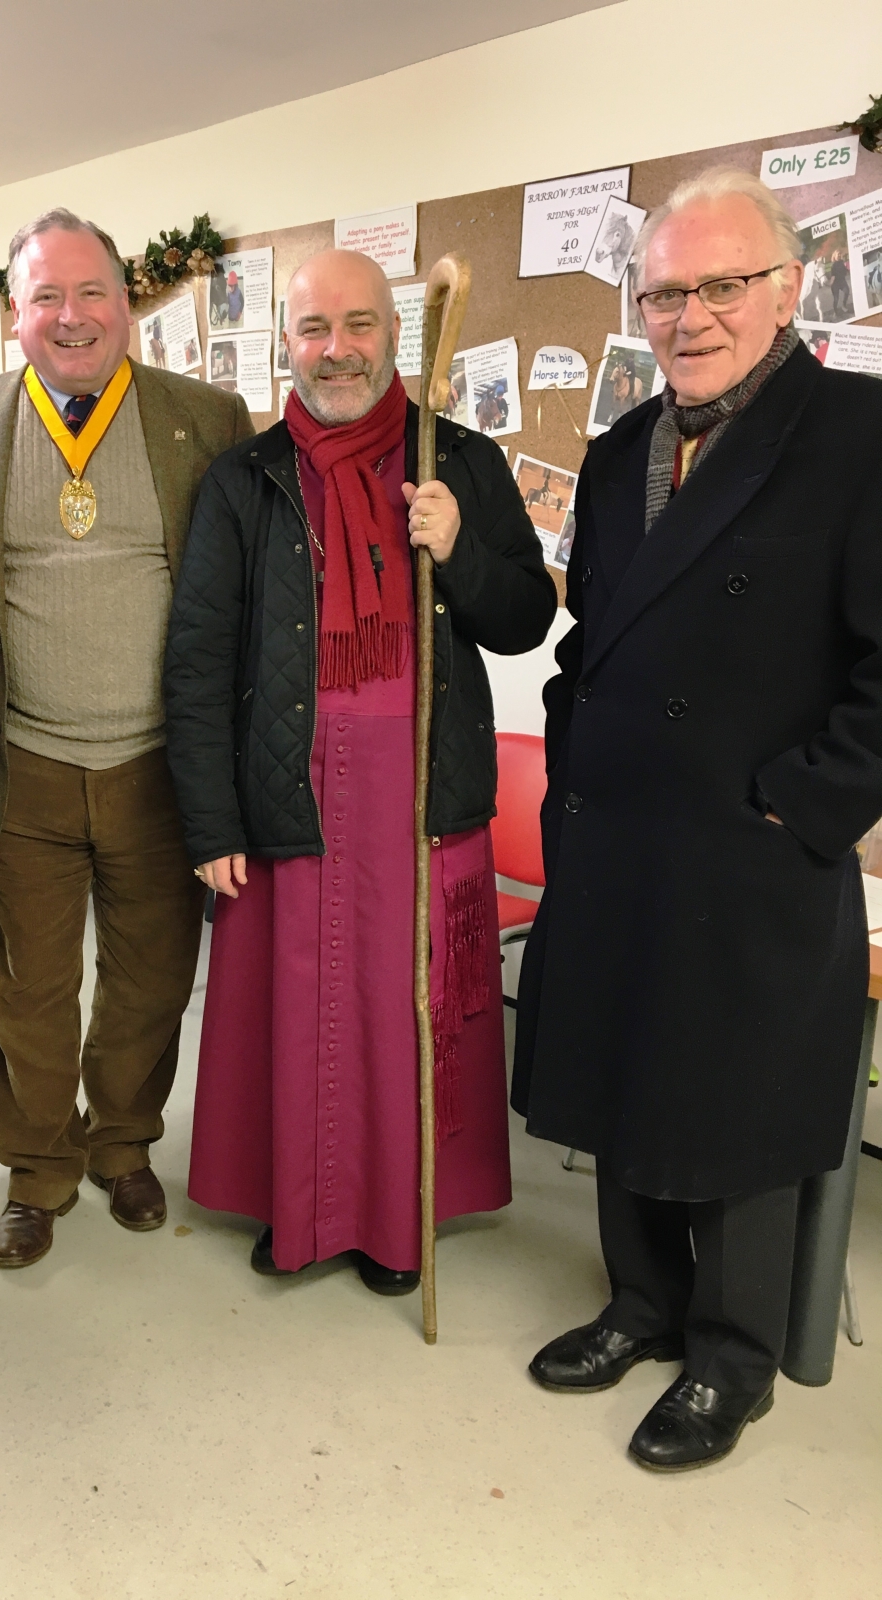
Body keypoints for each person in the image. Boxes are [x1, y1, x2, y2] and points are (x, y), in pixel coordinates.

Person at [513, 167, 882, 1470]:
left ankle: (731, 1355)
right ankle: (640, 1304)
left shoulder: (859, 432)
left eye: (721, 285)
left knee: (738, 1112)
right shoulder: (619, 455)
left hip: (754, 846)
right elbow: (593, 643)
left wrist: (804, 806)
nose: (688, 315)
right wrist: (568, 769)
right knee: (629, 1084)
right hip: (616, 837)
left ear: (785, 290)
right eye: (663, 290)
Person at [165, 248, 556, 1292]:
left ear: (395, 333)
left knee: (405, 1007)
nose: (336, 350)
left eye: (358, 325)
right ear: (285, 344)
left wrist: (461, 548)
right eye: (312, 329)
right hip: (287, 787)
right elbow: (198, 661)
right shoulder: (242, 483)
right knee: (297, 1007)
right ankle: (300, 1207)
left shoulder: (461, 462)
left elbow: (524, 620)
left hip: (423, 793)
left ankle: (398, 1218)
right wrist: (211, 825)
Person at [0, 209, 252, 1268]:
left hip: (161, 766)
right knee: (31, 988)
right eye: (46, 298)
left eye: (91, 293)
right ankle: (38, 1168)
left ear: (127, 302)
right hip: (22, 761)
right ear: (15, 316)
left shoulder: (206, 419)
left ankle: (121, 1145)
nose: (71, 316)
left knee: (154, 977)